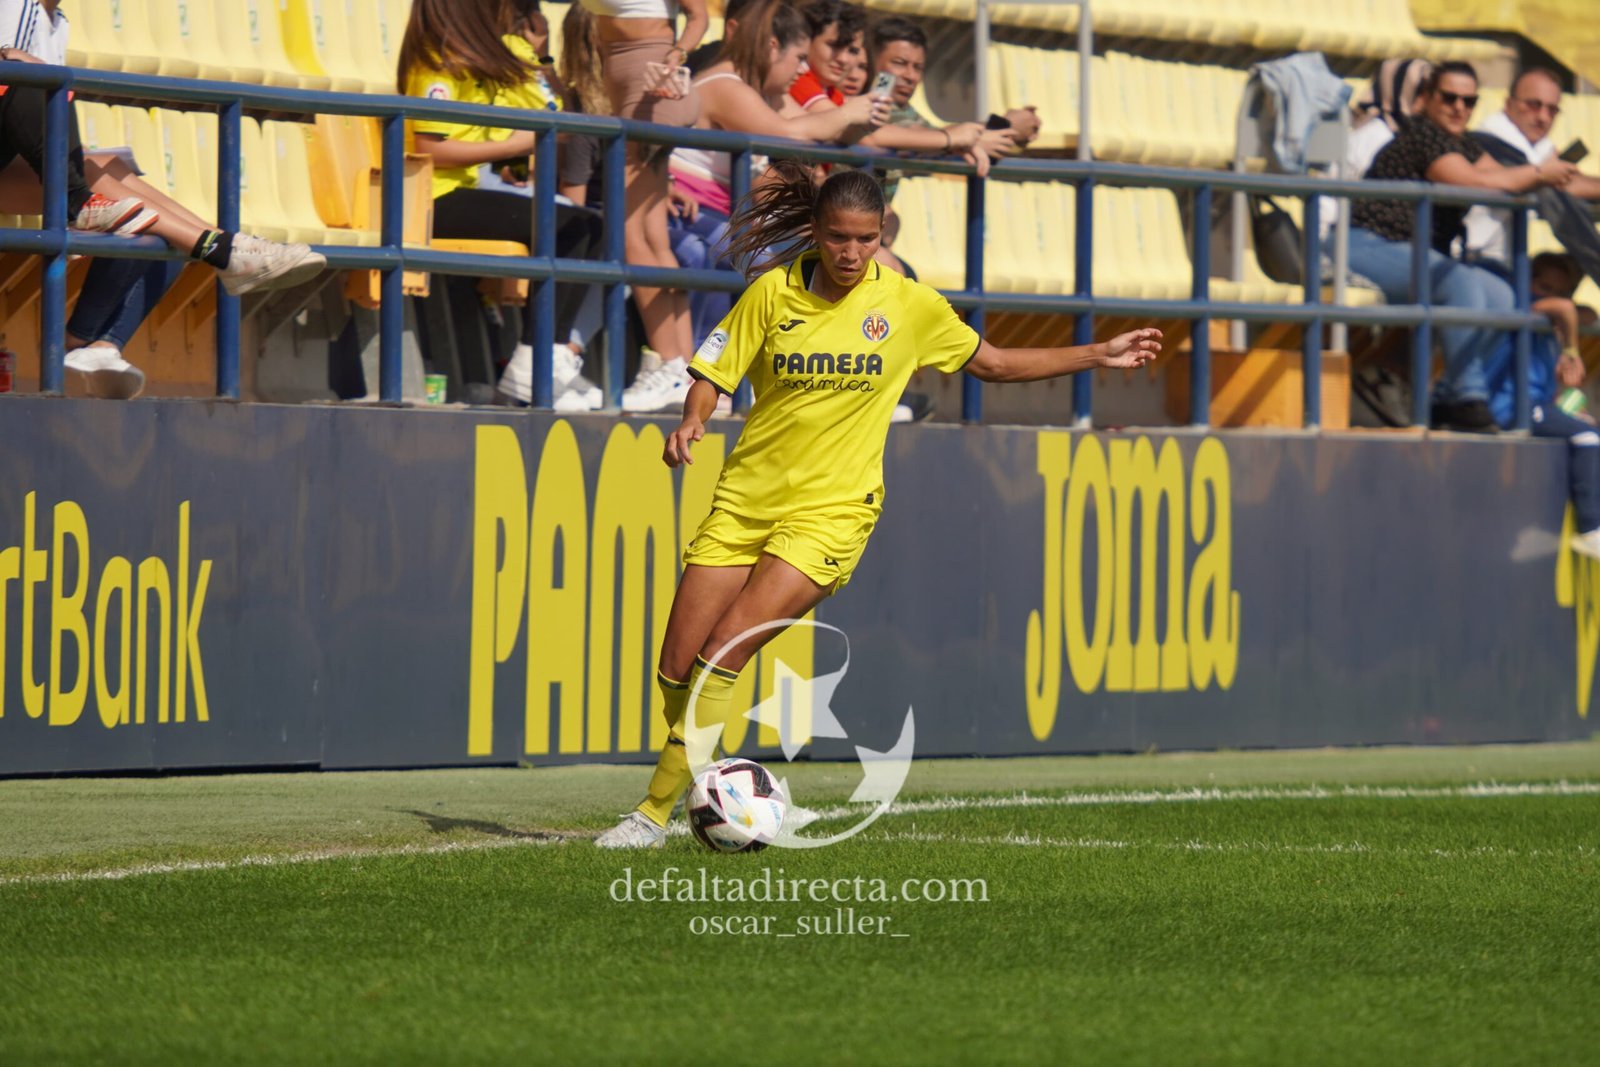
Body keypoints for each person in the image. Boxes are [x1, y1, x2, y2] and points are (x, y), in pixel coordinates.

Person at [593, 163, 1161, 847]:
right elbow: (715, 372)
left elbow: (998, 364)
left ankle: (651, 815)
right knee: (676, 668)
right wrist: (694, 418)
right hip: (744, 500)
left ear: (881, 233)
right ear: (816, 231)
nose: (852, 253)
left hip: (832, 513)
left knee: (722, 656)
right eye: (838, 238)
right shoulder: (772, 293)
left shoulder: (909, 305)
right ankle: (727, 786)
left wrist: (1100, 352)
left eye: (865, 239)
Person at [0, 0, 326, 398]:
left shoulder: (57, 21)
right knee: (92, 167)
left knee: (118, 183)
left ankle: (99, 344)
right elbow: (18, 87)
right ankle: (223, 250)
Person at [624, 0, 886, 412]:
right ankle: (705, 376)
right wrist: (847, 113)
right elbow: (785, 136)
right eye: (799, 58)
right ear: (770, 46)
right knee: (740, 256)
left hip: (712, 215)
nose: (803, 71)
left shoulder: (752, 90)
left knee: (848, 263)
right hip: (690, 213)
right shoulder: (726, 84)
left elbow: (800, 139)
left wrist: (854, 119)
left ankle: (829, 383)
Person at [399, 0, 609, 410]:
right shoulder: (434, 62)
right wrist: (514, 145)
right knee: (571, 226)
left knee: (587, 225)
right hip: (429, 198)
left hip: (460, 190)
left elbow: (547, 111)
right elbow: (430, 149)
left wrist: (533, 56)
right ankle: (534, 360)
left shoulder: (469, 62)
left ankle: (544, 357)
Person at [1347, 62, 1578, 434]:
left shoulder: (1464, 144)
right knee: (1461, 283)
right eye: (1449, 98)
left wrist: (1557, 179)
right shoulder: (1423, 135)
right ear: (1425, 100)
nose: (1459, 108)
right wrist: (1538, 175)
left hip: (1418, 256)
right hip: (1368, 245)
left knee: (1502, 297)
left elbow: (1506, 178)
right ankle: (1467, 397)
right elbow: (1475, 183)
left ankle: (1445, 398)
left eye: (1469, 101)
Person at [580, 0, 708, 410]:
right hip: (640, 91)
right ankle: (684, 370)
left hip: (653, 90)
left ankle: (668, 364)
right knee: (652, 236)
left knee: (629, 233)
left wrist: (676, 54)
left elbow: (699, 13)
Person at [862, 17, 1033, 185]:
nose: (910, 76)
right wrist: (967, 139)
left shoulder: (905, 110)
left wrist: (999, 126)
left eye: (918, 67)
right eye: (899, 63)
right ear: (870, 60)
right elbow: (924, 135)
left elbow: (928, 134)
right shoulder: (865, 102)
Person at [1464, 67, 1600, 270]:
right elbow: (1563, 186)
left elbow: (1573, 182)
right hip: (1470, 262)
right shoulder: (1485, 143)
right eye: (1533, 105)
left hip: (1505, 266)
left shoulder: (1537, 151)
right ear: (1509, 104)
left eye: (1552, 109)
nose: (1543, 117)